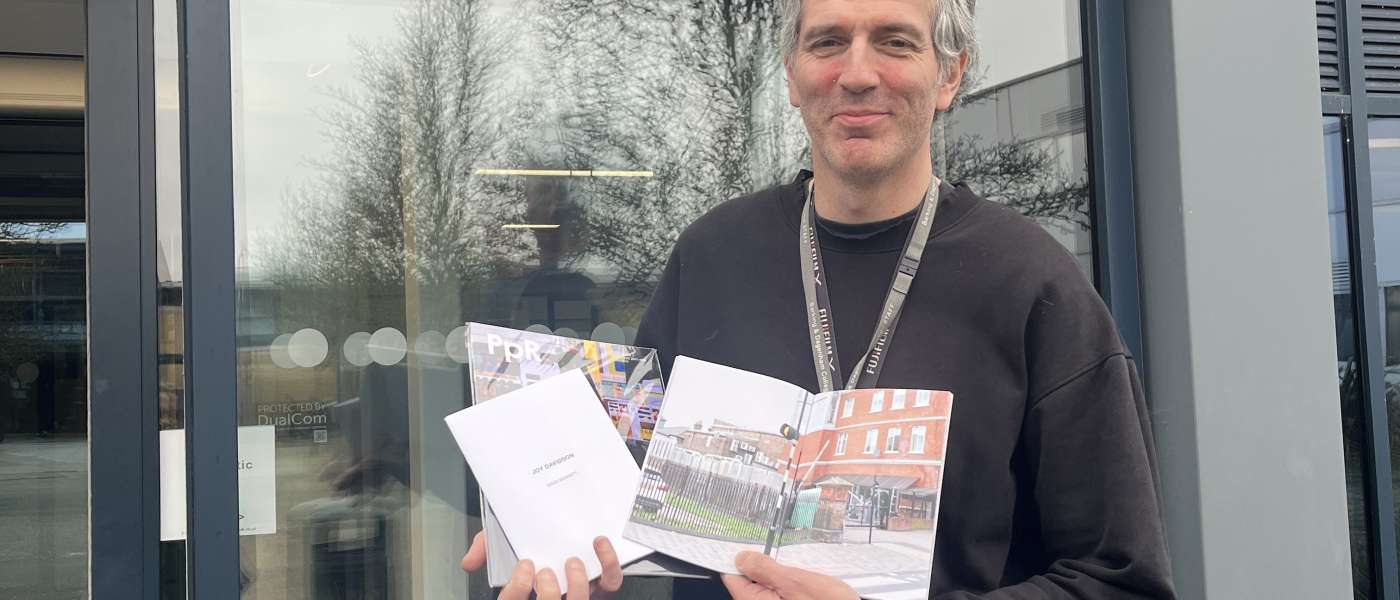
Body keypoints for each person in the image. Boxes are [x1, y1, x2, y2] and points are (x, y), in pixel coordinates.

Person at [462, 0, 1176, 597]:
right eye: (828, 42)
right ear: (793, 76)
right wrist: (543, 525)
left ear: (950, 73)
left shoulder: (1034, 286)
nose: (857, 74)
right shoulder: (713, 257)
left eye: (895, 42)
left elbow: (1121, 580)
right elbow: (627, 495)